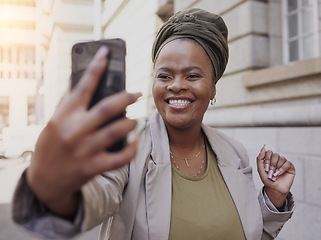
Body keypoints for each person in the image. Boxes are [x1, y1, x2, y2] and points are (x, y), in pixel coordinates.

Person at [12, 8, 295, 240]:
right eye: (164, 75)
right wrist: (51, 185)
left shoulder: (234, 152)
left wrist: (273, 198)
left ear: (213, 88)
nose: (176, 86)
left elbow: (248, 233)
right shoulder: (128, 143)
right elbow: (92, 198)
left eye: (193, 76)